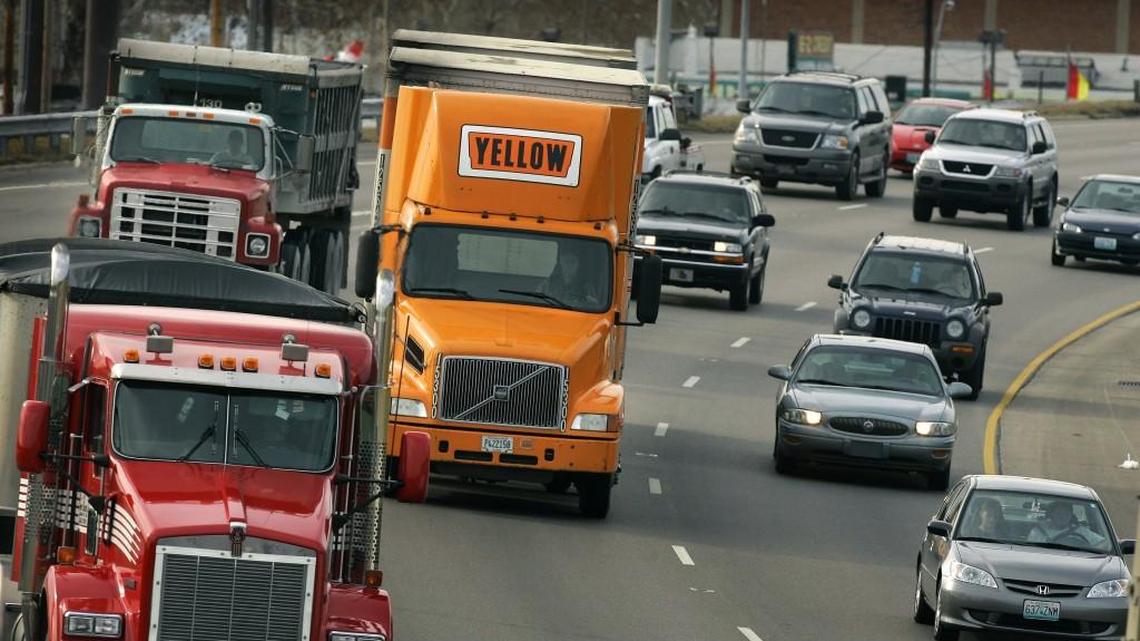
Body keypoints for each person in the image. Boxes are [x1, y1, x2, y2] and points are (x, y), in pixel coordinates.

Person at [1027, 500, 1107, 547]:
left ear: (1071, 515)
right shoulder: (1038, 532)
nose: (1062, 517)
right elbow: (1031, 551)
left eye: (1066, 513)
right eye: (1058, 513)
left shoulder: (1082, 531)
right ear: (1051, 514)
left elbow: (1105, 544)